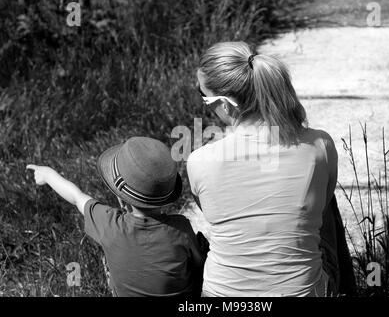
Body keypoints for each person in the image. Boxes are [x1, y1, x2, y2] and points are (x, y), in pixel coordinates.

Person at [187, 41, 339, 296]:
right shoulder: (320, 145)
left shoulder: (199, 161)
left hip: (223, 295)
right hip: (303, 292)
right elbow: (320, 209)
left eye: (203, 96)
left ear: (225, 105)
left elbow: (211, 209)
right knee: (321, 199)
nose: (205, 105)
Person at [27, 137, 205, 297]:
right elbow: (199, 266)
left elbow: (77, 197)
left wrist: (48, 175)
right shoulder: (181, 229)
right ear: (167, 196)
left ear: (121, 197)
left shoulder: (109, 223)